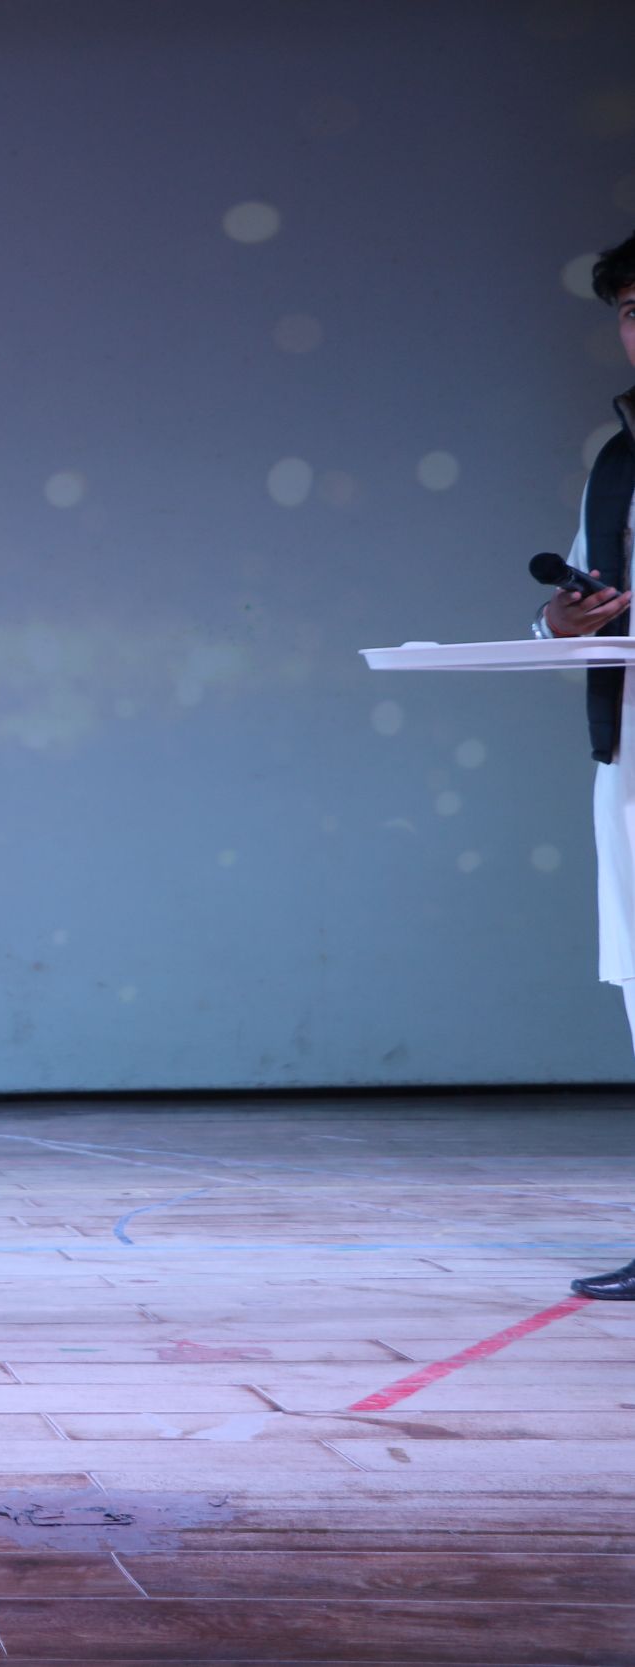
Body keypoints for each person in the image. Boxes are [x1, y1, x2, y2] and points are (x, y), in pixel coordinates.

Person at [530, 230, 635, 1303]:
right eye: (631, 310)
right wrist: (566, 619)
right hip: (632, 756)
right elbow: (574, 611)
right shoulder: (619, 459)